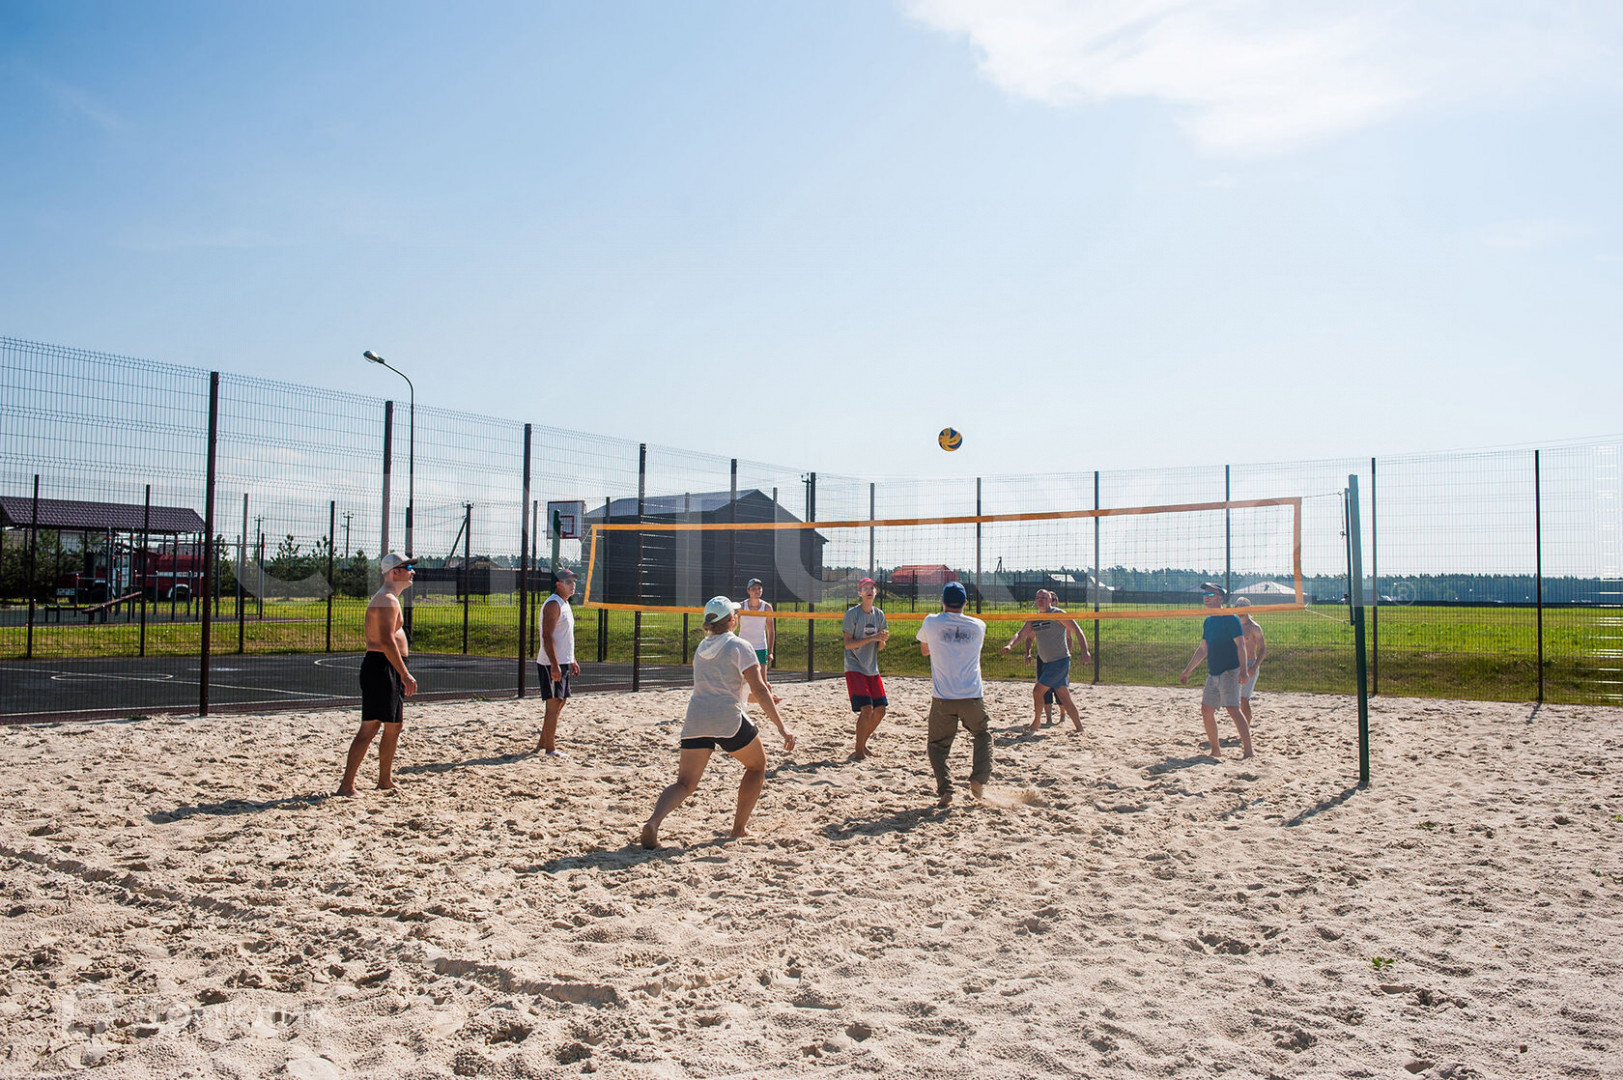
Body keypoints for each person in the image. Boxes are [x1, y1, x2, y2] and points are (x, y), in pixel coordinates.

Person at [642, 596, 797, 849]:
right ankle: (738, 829)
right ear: (732, 620)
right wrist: (782, 727)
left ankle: (653, 822)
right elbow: (758, 689)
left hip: (697, 717)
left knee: (684, 783)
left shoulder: (701, 648)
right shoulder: (740, 646)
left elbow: (722, 688)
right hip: (726, 719)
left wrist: (762, 699)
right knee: (757, 766)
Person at [338, 552, 418, 795]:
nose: (413, 572)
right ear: (395, 572)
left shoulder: (390, 598)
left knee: (394, 725)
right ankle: (347, 785)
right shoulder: (386, 599)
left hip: (386, 666)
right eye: (408, 568)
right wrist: (404, 673)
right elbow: (386, 640)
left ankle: (384, 780)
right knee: (370, 727)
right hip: (382, 667)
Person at [915, 581, 992, 807]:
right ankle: (978, 779)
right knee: (982, 735)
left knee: (937, 746)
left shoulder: (931, 622)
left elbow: (924, 650)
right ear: (966, 602)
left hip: (943, 698)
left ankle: (946, 789)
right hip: (972, 696)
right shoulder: (979, 625)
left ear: (942, 601)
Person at [1178, 582, 1254, 759]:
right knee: (1206, 710)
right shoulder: (1209, 621)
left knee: (1233, 709)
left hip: (1230, 671)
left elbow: (1241, 645)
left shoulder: (1230, 618)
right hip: (1214, 673)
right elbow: (1203, 649)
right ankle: (1215, 750)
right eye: (1205, 594)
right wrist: (1187, 671)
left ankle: (1249, 751)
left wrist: (1244, 671)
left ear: (1220, 598)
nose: (1206, 597)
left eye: (1211, 594)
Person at [1001, 589, 1091, 732]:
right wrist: (1010, 645)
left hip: (1060, 661)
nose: (1040, 600)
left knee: (1037, 691)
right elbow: (1021, 634)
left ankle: (1036, 722)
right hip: (1047, 662)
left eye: (1043, 597)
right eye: (1038, 598)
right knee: (1065, 698)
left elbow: (1077, 630)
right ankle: (1079, 728)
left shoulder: (1058, 614)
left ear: (1050, 600)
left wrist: (1085, 650)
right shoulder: (1034, 618)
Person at [842, 577, 890, 759]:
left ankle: (861, 744)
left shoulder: (879, 614)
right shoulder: (852, 614)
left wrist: (882, 640)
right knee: (867, 708)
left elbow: (880, 646)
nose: (869, 591)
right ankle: (859, 751)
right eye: (865, 588)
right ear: (860, 593)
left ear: (876, 593)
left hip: (871, 667)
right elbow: (848, 644)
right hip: (854, 666)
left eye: (872, 588)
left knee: (881, 710)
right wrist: (873, 637)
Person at [535, 567, 581, 756]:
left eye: (573, 581)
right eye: (568, 581)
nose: (572, 585)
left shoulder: (565, 603)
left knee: (560, 702)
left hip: (563, 661)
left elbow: (565, 637)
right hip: (551, 663)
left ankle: (542, 743)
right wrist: (554, 664)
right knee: (553, 705)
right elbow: (547, 636)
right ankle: (550, 749)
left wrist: (572, 659)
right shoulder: (553, 604)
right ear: (558, 584)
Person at [735, 578, 780, 705]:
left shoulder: (766, 607)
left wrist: (770, 651)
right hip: (744, 647)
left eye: (759, 588)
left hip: (760, 647)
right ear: (748, 591)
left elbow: (771, 630)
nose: (757, 591)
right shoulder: (741, 606)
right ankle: (768, 698)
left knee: (762, 682)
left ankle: (769, 701)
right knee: (740, 680)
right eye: (754, 589)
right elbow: (733, 625)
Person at [1233, 596, 1266, 727]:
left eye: (1243, 606)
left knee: (1243, 699)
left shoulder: (1254, 627)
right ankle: (1241, 726)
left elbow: (1262, 649)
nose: (1240, 609)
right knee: (1233, 700)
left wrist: (1254, 667)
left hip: (1249, 664)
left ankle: (1246, 727)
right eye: (1238, 606)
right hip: (1235, 665)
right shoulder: (1232, 626)